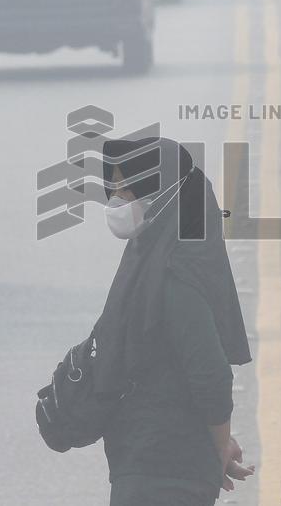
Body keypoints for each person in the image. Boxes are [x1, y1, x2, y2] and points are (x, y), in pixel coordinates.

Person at [93, 137, 254, 505]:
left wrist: (218, 449)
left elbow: (211, 376)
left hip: (164, 473)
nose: (116, 200)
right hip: (152, 462)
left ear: (162, 194)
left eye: (126, 189)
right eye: (113, 188)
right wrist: (220, 443)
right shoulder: (151, 260)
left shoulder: (174, 277)